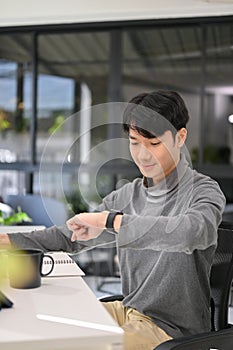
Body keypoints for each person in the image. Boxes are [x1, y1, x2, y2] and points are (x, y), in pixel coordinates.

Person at [0, 90, 226, 350]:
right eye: (134, 142)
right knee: (51, 330)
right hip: (128, 309)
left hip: (171, 329)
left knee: (92, 346)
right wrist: (7, 240)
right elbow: (69, 236)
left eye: (154, 144)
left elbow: (192, 232)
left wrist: (112, 221)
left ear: (180, 137)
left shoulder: (203, 191)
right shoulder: (128, 195)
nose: (142, 155)